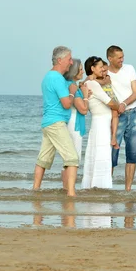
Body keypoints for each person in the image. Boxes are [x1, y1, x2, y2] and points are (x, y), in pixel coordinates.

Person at [33, 46, 80, 197]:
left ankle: (35, 190)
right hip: (56, 123)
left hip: (47, 123)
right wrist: (72, 92)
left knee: (43, 159)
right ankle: (71, 193)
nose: (71, 62)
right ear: (60, 60)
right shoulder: (57, 78)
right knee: (72, 158)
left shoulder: (48, 77)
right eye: (69, 59)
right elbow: (66, 103)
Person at [81, 56, 120, 189]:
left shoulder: (91, 83)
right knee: (102, 154)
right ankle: (100, 187)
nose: (103, 69)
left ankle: (95, 187)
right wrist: (118, 105)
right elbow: (109, 102)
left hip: (100, 123)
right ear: (92, 69)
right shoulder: (92, 84)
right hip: (101, 124)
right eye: (100, 67)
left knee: (98, 154)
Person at [106, 45, 136, 192]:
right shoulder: (105, 73)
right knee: (112, 154)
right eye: (119, 57)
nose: (122, 60)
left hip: (133, 113)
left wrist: (124, 103)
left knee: (133, 153)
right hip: (115, 116)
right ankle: (107, 188)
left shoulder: (129, 68)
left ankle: (128, 190)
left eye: (123, 57)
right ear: (110, 58)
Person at [62, 59, 90, 187]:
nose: (83, 71)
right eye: (80, 69)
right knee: (74, 157)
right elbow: (83, 110)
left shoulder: (71, 85)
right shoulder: (72, 87)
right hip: (74, 124)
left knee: (69, 158)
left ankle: (67, 188)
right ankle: (69, 189)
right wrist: (85, 96)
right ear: (74, 72)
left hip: (70, 122)